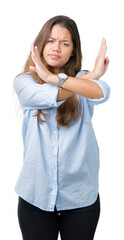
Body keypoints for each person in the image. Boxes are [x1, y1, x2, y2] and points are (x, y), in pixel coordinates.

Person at [13, 15, 110, 240]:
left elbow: (102, 92)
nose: (56, 47)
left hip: (80, 198)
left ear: (73, 51)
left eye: (65, 43)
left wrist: (57, 78)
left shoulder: (84, 80)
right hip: (35, 196)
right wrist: (88, 78)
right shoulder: (24, 81)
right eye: (51, 40)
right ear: (41, 44)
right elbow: (50, 95)